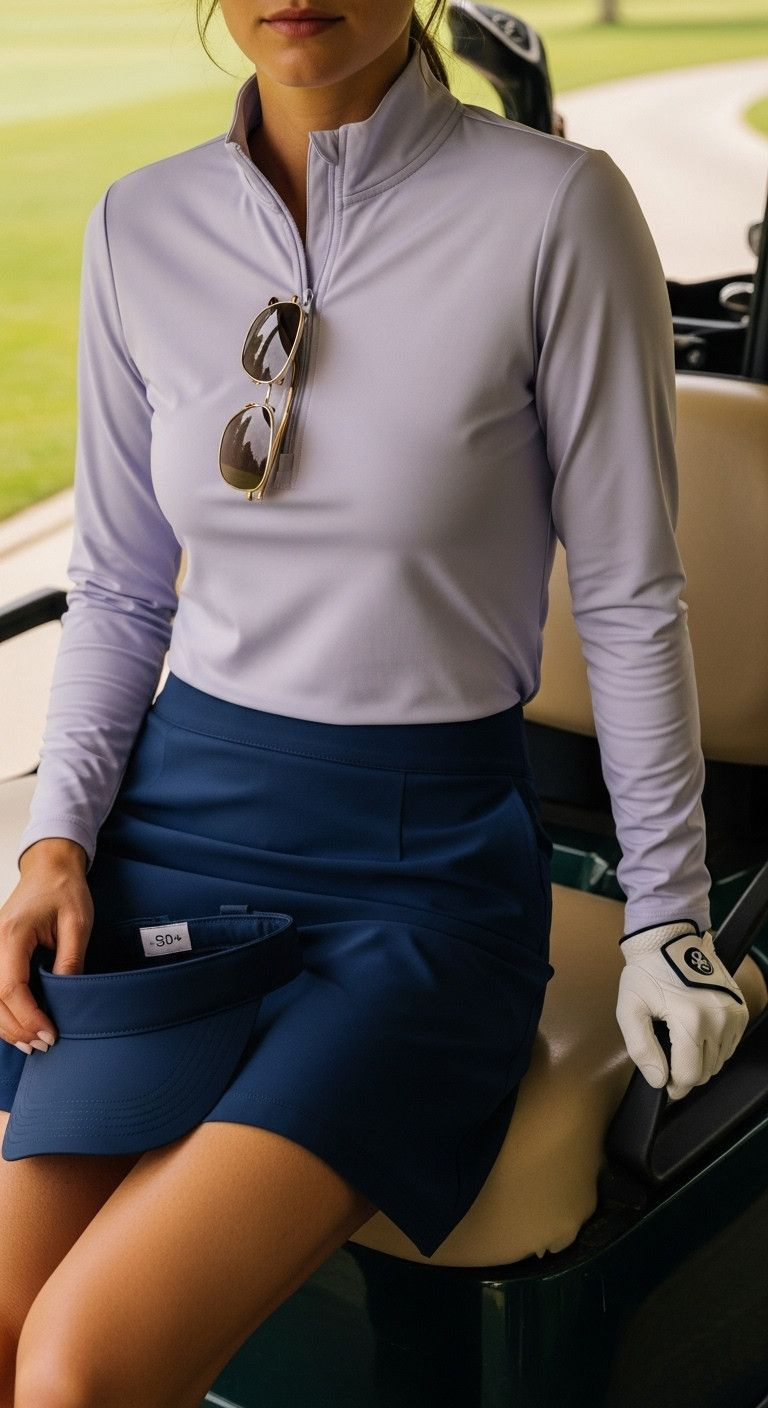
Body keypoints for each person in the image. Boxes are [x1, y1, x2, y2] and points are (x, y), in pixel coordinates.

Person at [0, 3, 749, 1405]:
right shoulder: (137, 226)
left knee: (80, 1368)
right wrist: (55, 842)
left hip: (420, 879)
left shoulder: (558, 211)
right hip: (172, 832)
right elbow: (116, 592)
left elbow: (631, 596)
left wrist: (667, 911)